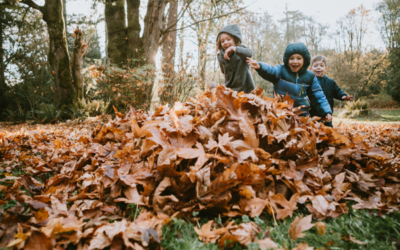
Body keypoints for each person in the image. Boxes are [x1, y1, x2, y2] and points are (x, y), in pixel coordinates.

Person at [246, 42, 332, 120]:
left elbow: (318, 95)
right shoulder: (280, 71)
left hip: (301, 113)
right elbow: (271, 70)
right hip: (281, 111)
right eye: (291, 58)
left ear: (304, 60)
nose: (295, 61)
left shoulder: (310, 76)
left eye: (299, 58)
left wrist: (326, 111)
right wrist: (260, 66)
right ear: (287, 60)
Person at [309, 55, 353, 127]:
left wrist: (343, 96)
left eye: (321, 65)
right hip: (313, 113)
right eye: (315, 65)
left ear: (326, 69)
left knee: (328, 129)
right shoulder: (308, 82)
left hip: (327, 114)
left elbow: (337, 91)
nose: (318, 67)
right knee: (313, 130)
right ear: (310, 69)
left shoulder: (330, 82)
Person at [216, 24, 255, 94]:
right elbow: (223, 71)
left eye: (228, 39)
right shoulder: (220, 56)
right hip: (231, 90)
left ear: (235, 39)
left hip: (246, 90)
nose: (225, 42)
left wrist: (234, 49)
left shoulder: (241, 50)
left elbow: (250, 53)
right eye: (222, 41)